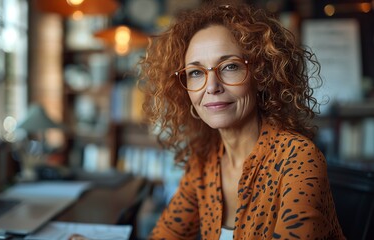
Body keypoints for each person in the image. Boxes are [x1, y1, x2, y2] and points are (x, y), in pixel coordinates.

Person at [137, 0, 345, 239]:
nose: (212, 87)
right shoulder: (203, 162)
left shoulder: (297, 158)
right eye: (196, 72)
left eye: (230, 67)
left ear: (261, 74)